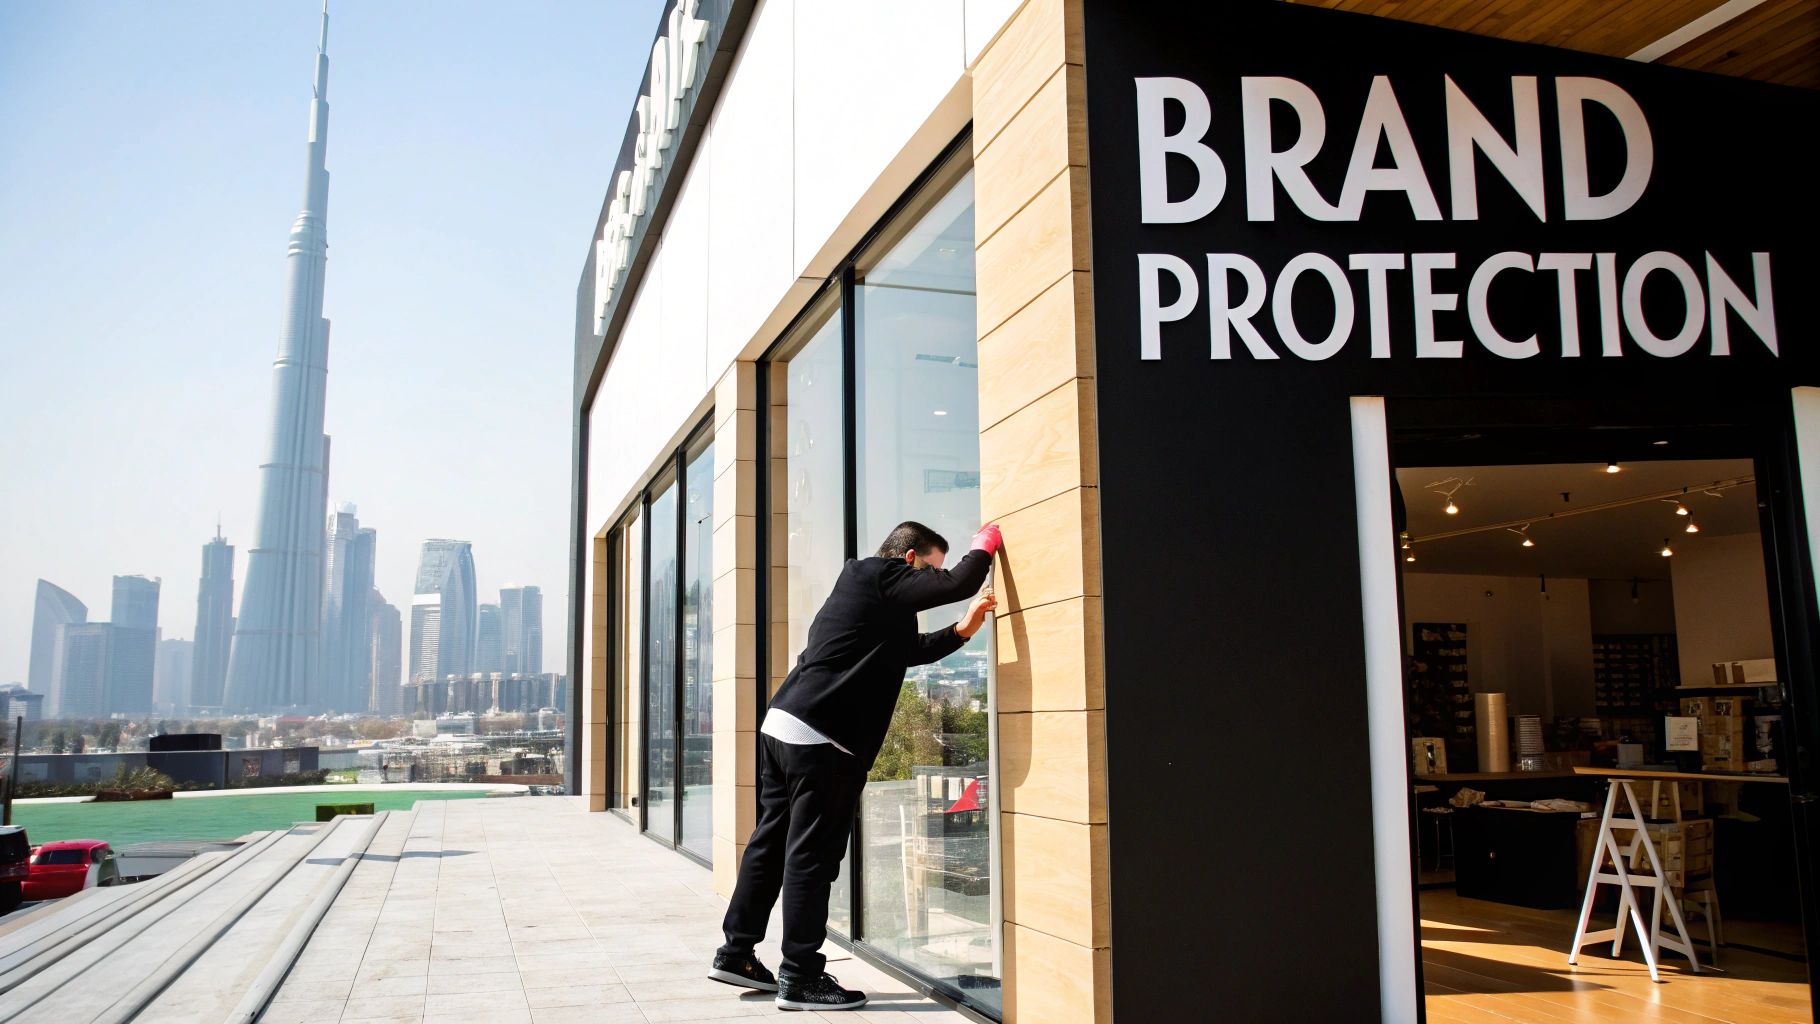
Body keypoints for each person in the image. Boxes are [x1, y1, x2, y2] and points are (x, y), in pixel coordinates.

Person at [708, 519, 1001, 1011]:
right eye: (931, 567)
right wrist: (985, 543)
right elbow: (959, 582)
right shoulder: (882, 574)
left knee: (771, 842)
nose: (934, 578)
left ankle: (736, 952)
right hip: (821, 739)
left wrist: (960, 631)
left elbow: (909, 652)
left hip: (785, 723)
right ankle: (800, 976)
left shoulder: (867, 592)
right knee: (812, 858)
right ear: (910, 560)